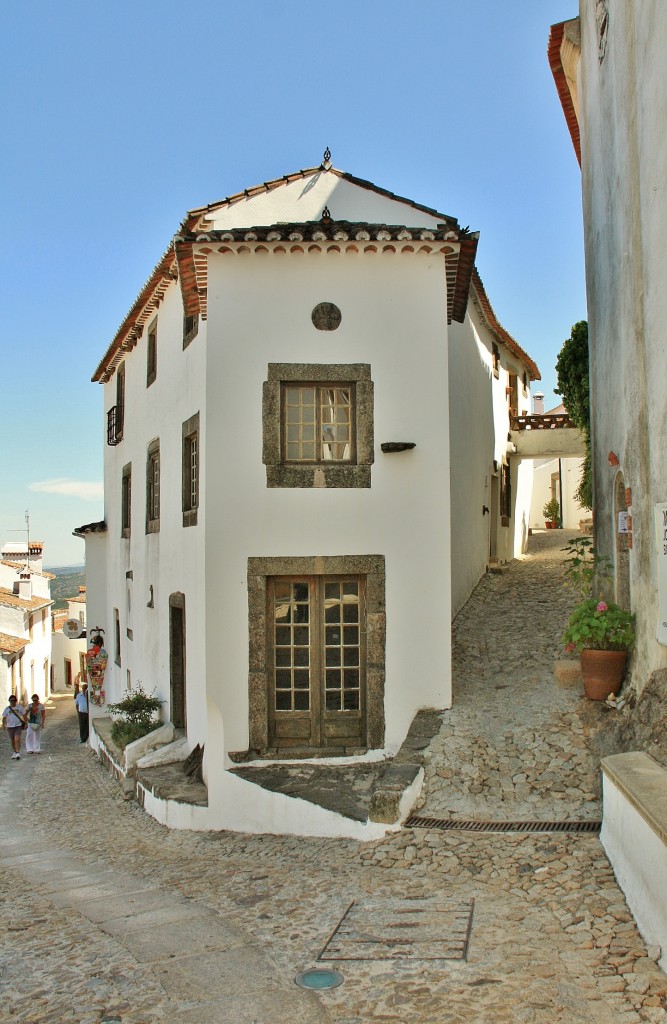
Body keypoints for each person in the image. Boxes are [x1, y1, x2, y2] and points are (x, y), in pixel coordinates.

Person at [2, 695, 26, 760]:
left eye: (14, 700)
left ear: (16, 701)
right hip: (10, 726)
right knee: (12, 740)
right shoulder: (7, 709)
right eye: (11, 701)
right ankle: (15, 752)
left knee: (17, 739)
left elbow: (24, 715)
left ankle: (17, 753)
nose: (12, 702)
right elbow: (4, 717)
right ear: (9, 701)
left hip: (18, 726)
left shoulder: (19, 707)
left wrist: (25, 723)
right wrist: (4, 725)